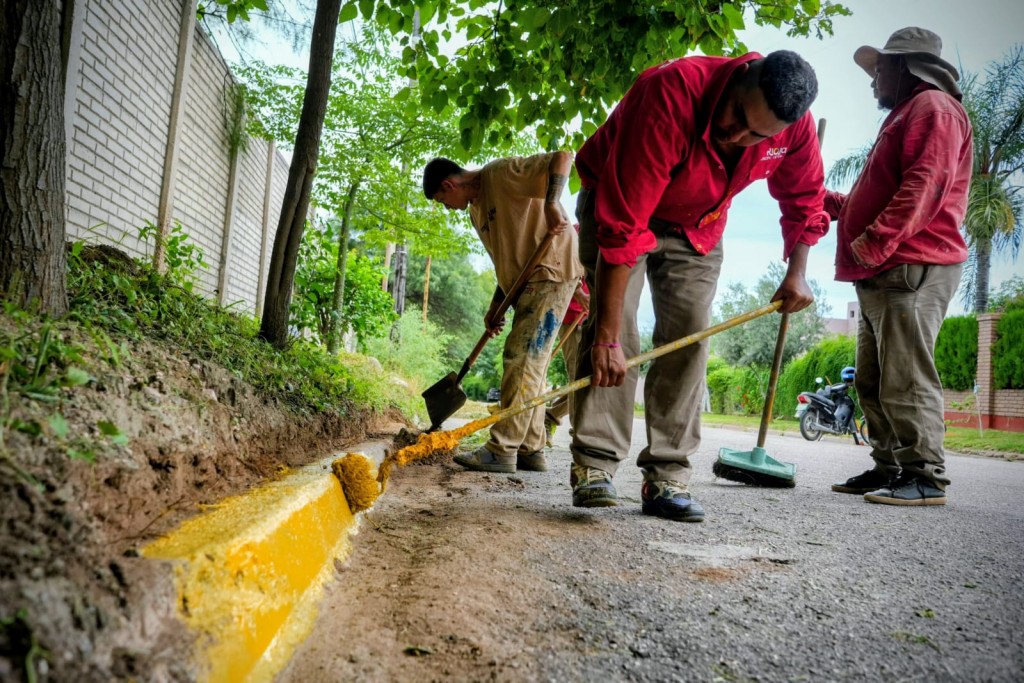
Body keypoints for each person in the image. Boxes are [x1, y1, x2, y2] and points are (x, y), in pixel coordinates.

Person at [571, 50, 828, 522]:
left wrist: (797, 271)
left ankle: (667, 474)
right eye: (737, 117)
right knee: (616, 330)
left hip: (699, 225)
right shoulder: (670, 94)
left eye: (757, 136)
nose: (737, 135)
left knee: (689, 337)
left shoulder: (795, 129)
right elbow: (623, 226)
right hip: (620, 204)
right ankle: (595, 464)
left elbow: (805, 199)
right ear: (740, 76)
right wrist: (606, 338)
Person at [828, 27, 971, 506]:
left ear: (905, 67)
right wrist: (832, 204)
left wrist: (873, 242)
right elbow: (884, 193)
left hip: (910, 265)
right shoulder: (910, 112)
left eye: (879, 69)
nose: (872, 80)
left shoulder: (933, 108)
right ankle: (889, 465)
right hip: (886, 268)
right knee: (872, 379)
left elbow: (925, 185)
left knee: (905, 375)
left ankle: (924, 475)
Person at [423, 153, 583, 473]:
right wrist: (496, 304)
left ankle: (502, 448)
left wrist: (552, 203)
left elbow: (562, 158)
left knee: (522, 358)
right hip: (526, 282)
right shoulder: (476, 211)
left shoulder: (501, 174)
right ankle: (530, 447)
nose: (448, 208)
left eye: (443, 201)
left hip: (551, 271)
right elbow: (507, 261)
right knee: (531, 365)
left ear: (449, 185)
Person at [544, 277, 589, 446]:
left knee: (593, 380)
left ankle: (551, 415)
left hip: (597, 316)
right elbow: (567, 269)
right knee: (578, 377)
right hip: (575, 315)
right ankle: (581, 436)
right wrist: (579, 292)